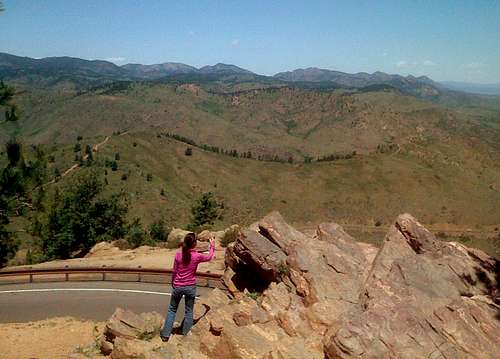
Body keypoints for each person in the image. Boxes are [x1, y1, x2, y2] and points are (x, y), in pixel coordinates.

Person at [160, 232, 215, 341]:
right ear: (194, 244)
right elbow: (209, 257)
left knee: (172, 310)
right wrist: (212, 245)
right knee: (189, 311)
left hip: (178, 286)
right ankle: (185, 334)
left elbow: (174, 271)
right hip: (190, 286)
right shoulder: (197, 256)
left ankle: (165, 335)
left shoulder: (178, 255)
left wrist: (173, 283)